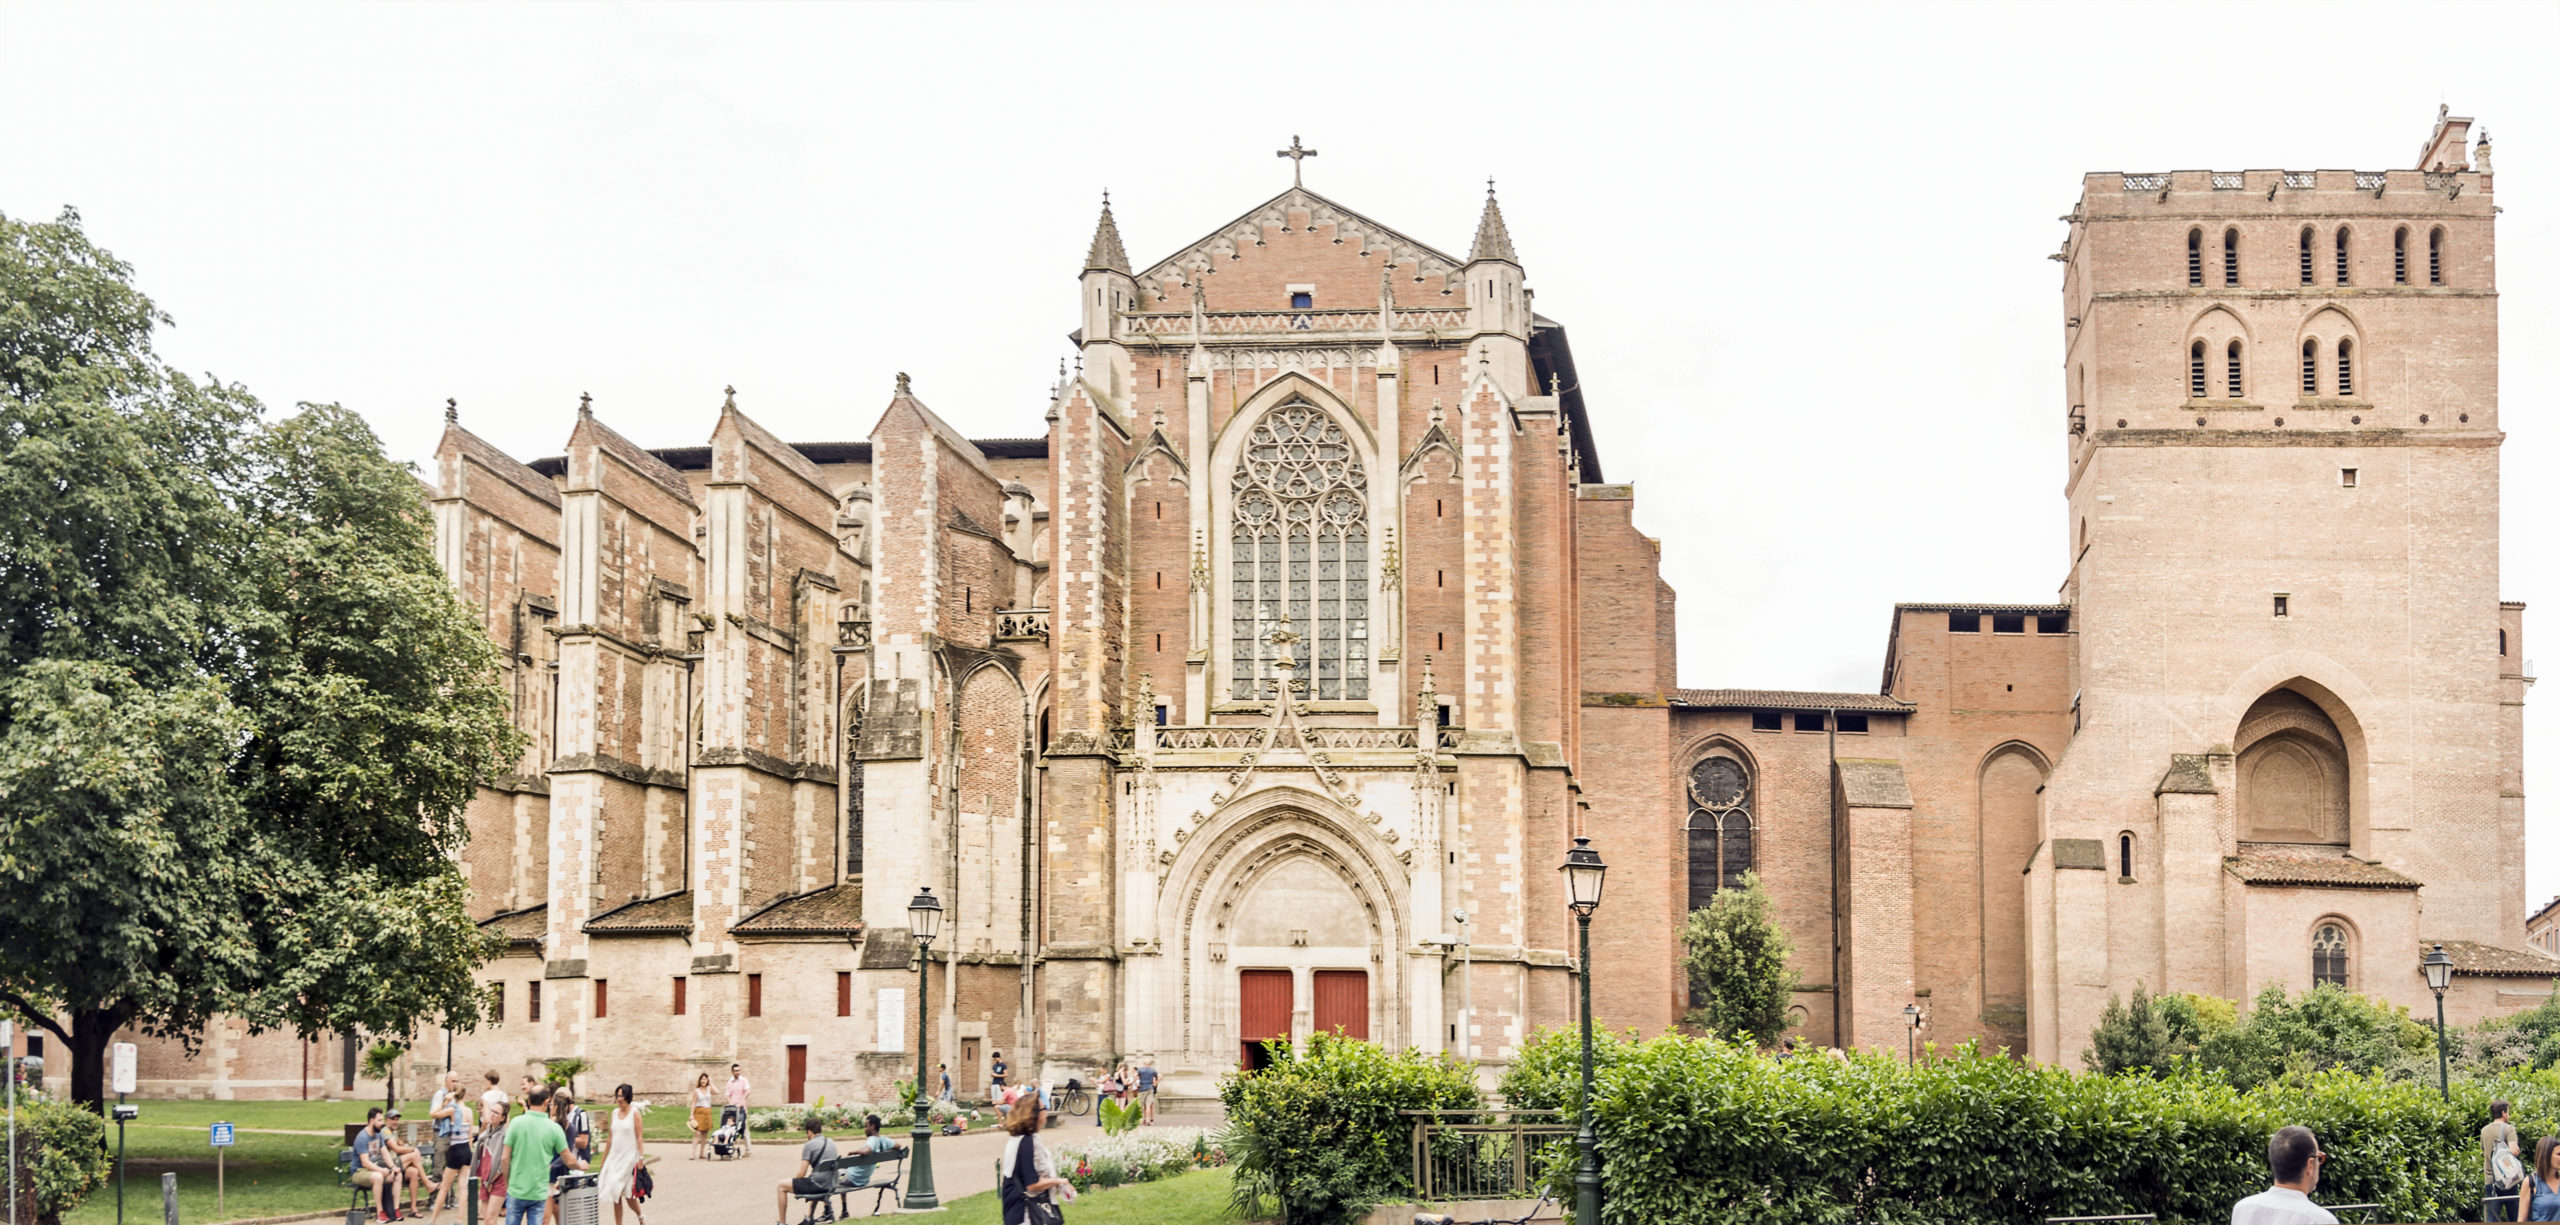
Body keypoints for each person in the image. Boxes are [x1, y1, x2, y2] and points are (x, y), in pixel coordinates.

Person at [495, 1085, 576, 1225]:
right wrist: (581, 1164)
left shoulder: (515, 1123)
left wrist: (508, 1183)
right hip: (538, 1191)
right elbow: (568, 1159)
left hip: (516, 1190)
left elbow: (504, 1158)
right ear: (546, 1102)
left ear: (529, 1100)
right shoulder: (554, 1128)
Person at [2230, 1125, 2337, 1225]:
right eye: (2319, 1157)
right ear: (2310, 1165)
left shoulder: (2243, 1209)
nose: (2319, 1163)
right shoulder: (2320, 1220)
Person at [998, 1094, 1073, 1225]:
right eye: (1044, 1108)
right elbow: (1031, 1183)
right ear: (1035, 1114)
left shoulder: (1015, 1139)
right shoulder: (1026, 1141)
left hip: (1014, 1209)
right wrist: (1060, 1181)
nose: (1046, 1112)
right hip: (1025, 1213)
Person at [773, 1115, 837, 1225]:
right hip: (831, 1184)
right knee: (813, 1178)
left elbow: (802, 1173)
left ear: (809, 1132)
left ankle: (782, 1223)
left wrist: (796, 1181)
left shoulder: (809, 1145)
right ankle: (809, 1217)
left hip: (818, 1185)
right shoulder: (830, 1141)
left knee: (781, 1186)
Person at [428, 1071, 473, 1225]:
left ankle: (433, 1220)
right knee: (462, 1186)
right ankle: (460, 1220)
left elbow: (433, 1114)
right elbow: (470, 1136)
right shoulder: (469, 1111)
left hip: (456, 1150)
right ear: (465, 1095)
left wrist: (445, 1102)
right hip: (467, 1151)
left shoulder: (453, 1110)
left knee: (445, 1187)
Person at [599, 1083, 646, 1225]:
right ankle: (622, 1222)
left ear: (628, 1097)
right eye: (618, 1096)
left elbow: (639, 1137)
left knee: (621, 1190)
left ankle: (640, 1215)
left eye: (622, 1096)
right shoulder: (614, 1113)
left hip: (629, 1158)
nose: (619, 1099)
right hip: (615, 1157)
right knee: (618, 1194)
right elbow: (610, 1138)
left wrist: (641, 1158)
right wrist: (604, 1158)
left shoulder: (634, 1113)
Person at [548, 1089, 593, 1225]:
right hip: (555, 1169)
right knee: (552, 1212)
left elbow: (584, 1142)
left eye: (551, 1104)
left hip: (569, 1165)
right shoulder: (547, 1123)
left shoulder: (579, 1117)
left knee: (569, 1212)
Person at [353, 1107, 403, 1223]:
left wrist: (392, 1167)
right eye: (379, 1120)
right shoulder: (362, 1137)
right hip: (359, 1171)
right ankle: (380, 1213)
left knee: (397, 1175)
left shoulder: (378, 1134)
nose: (382, 1123)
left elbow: (385, 1153)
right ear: (372, 1121)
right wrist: (381, 1170)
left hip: (373, 1169)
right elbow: (365, 1162)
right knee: (378, 1176)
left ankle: (395, 1210)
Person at [384, 1109, 431, 1216]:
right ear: (387, 1120)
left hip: (397, 1164)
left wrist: (409, 1148)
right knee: (414, 1154)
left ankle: (413, 1209)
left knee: (414, 1172)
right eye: (392, 1119)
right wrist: (412, 1150)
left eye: (397, 1119)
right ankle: (427, 1183)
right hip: (388, 1166)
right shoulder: (385, 1131)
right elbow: (397, 1149)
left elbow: (402, 1145)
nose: (395, 1121)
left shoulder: (393, 1133)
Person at [837, 1114, 898, 1192]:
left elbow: (867, 1151)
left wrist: (853, 1152)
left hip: (852, 1178)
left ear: (872, 1126)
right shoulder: (884, 1140)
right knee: (842, 1171)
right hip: (863, 1180)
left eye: (866, 1126)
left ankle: (827, 1203)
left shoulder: (872, 1139)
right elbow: (898, 1146)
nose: (865, 1129)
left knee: (828, 1176)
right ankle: (844, 1204)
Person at [2489, 1099, 2526, 1222]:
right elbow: (2514, 1150)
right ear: (2504, 1113)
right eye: (2508, 1112)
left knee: (2492, 1218)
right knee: (2514, 1217)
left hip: (2490, 1180)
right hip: (2508, 1179)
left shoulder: (2484, 1130)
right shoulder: (2508, 1129)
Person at [725, 1062, 754, 1154]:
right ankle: (730, 1148)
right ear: (732, 1072)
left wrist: (742, 1100)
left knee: (744, 1128)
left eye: (739, 1070)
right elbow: (727, 1095)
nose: (738, 1072)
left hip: (742, 1109)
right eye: (736, 1071)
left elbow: (748, 1090)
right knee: (731, 1129)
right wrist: (730, 1104)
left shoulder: (744, 1080)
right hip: (732, 1109)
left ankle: (748, 1149)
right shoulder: (729, 1082)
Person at [689, 1072, 717, 1160]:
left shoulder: (709, 1089)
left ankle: (702, 1153)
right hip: (699, 1111)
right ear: (700, 1080)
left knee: (705, 1133)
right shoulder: (696, 1091)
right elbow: (693, 1103)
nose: (703, 1081)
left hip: (707, 1112)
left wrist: (711, 1083)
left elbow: (717, 1092)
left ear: (707, 1080)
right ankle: (692, 1154)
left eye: (705, 1079)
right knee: (697, 1133)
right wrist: (691, 1115)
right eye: (702, 1079)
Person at [1136, 1057, 1159, 1126]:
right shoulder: (1152, 1070)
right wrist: (1156, 1083)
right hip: (1150, 1088)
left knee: (1142, 1105)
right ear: (1149, 1064)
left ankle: (1143, 1119)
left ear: (1144, 1063)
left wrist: (1137, 1083)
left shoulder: (1140, 1070)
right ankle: (1148, 1120)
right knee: (1148, 1105)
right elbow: (1160, 1076)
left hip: (1142, 1088)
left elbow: (1134, 1076)